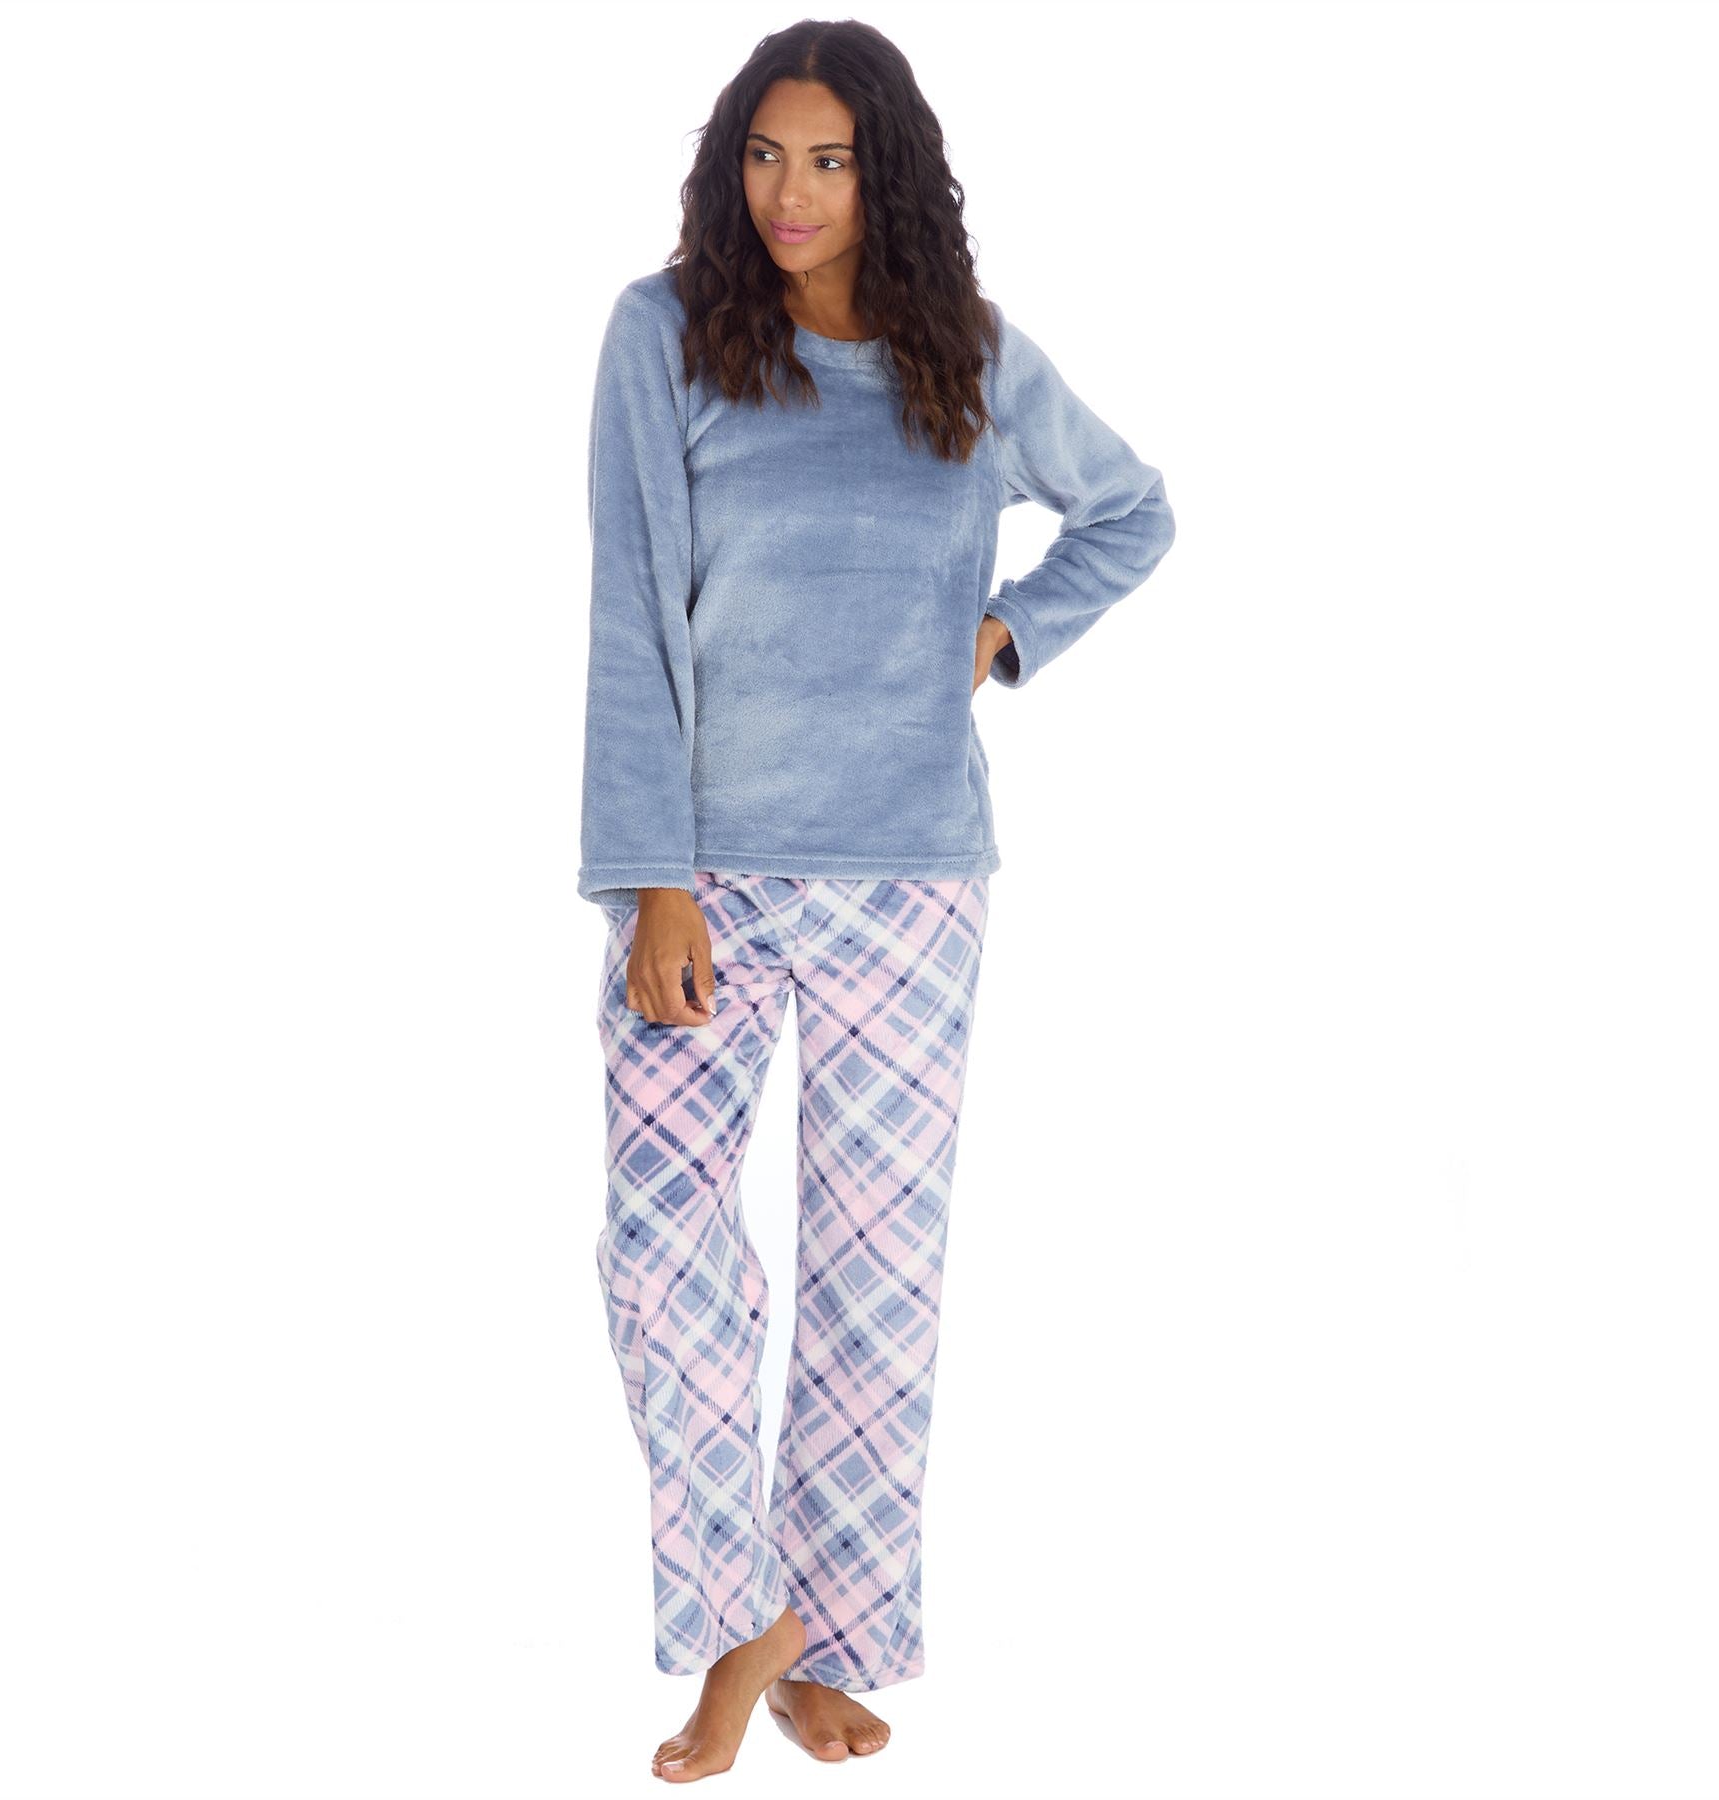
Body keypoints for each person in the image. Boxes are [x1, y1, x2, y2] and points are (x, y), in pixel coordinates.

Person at [578, 19, 1176, 1784]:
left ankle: (821, 1640)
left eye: (830, 161)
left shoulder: (965, 355)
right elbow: (632, 612)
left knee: (874, 1279)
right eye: (766, 155)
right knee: (659, 1247)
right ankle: (748, 1619)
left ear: (884, 173)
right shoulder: (666, 334)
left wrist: (1011, 632)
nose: (792, 193)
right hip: (709, 880)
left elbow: (1131, 512)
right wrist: (650, 881)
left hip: (911, 883)